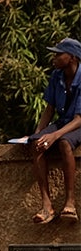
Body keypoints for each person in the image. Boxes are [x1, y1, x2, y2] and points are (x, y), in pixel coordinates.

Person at [27, 37, 81, 224]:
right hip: (65, 121)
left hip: (78, 123)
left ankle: (70, 203)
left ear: (72, 57)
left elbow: (79, 119)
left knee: (65, 143)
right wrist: (38, 133)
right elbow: (50, 108)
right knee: (36, 143)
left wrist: (55, 135)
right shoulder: (56, 76)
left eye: (59, 54)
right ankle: (47, 205)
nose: (54, 58)